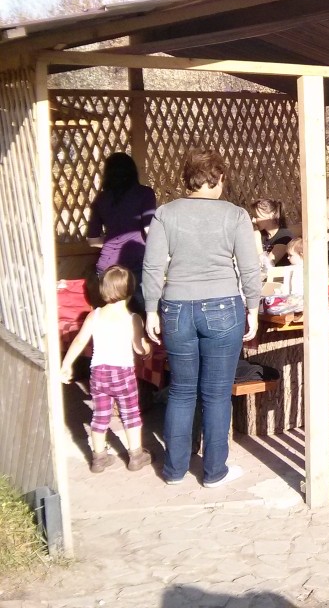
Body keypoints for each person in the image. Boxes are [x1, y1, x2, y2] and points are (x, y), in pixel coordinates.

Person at [142, 148, 261, 488]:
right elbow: (249, 266)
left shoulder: (165, 214)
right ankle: (214, 472)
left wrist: (150, 308)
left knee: (181, 392)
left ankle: (175, 471)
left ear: (188, 179)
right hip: (223, 308)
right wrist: (253, 307)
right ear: (217, 178)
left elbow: (152, 266)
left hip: (176, 308)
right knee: (216, 394)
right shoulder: (235, 215)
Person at [60, 265, 153, 473]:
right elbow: (139, 348)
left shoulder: (95, 315)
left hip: (99, 373)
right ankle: (136, 455)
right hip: (123, 374)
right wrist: (147, 349)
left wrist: (66, 364)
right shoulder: (133, 319)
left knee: (100, 415)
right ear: (130, 290)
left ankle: (99, 458)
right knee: (130, 414)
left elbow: (79, 341)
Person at [86, 153, 157, 310]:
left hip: (107, 268)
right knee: (142, 314)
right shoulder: (144, 194)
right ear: (132, 171)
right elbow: (149, 230)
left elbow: (92, 240)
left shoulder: (101, 199)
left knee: (110, 315)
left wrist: (111, 239)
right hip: (135, 266)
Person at [251, 198, 293, 266]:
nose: (253, 220)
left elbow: (266, 266)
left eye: (256, 216)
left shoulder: (284, 237)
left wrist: (257, 240)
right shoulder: (263, 235)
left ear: (272, 215)